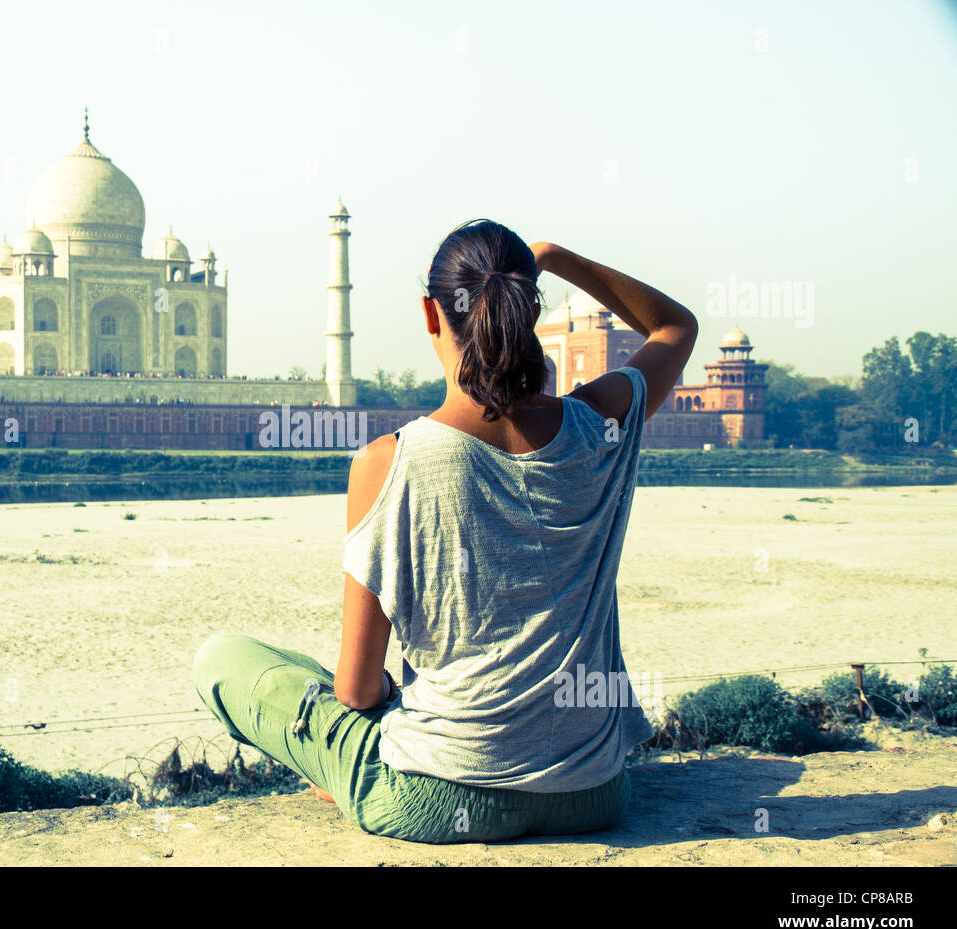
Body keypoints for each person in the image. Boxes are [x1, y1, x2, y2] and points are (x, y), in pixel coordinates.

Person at [193, 219, 697, 843]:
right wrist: (554, 256)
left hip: (433, 796)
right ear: (527, 308)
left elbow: (355, 689)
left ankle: (342, 774)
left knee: (225, 659)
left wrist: (396, 701)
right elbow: (676, 326)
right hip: (592, 792)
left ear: (431, 315)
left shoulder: (388, 461)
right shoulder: (601, 426)